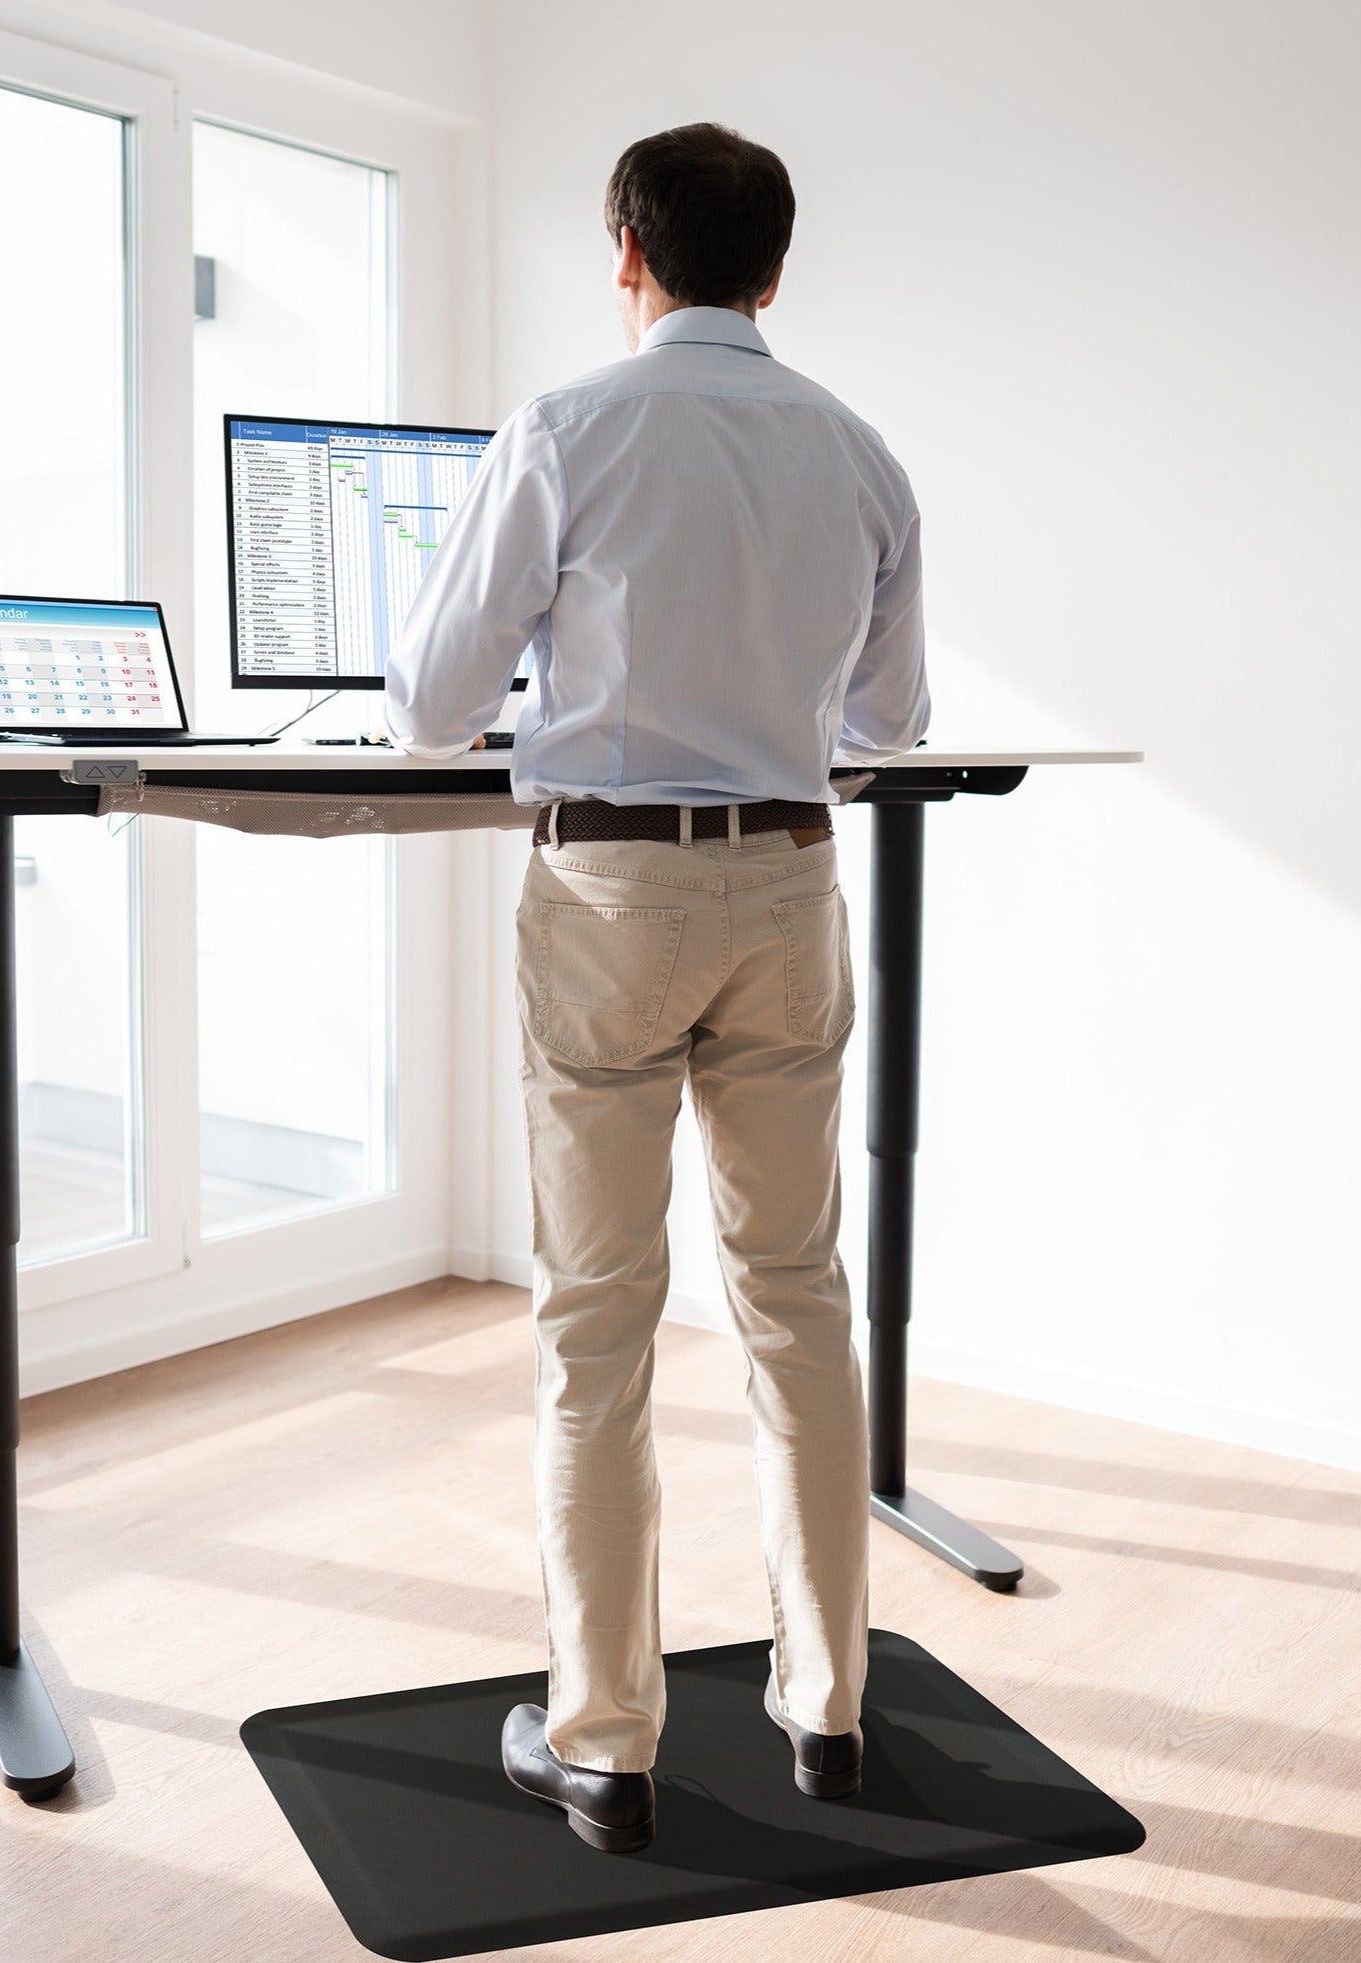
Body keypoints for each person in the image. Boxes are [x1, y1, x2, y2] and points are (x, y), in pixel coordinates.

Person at [384, 121, 929, 1855]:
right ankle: (829, 1710)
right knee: (796, 1297)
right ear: (776, 271)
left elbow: (428, 706)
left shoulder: (564, 428)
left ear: (627, 251)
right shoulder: (859, 454)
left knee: (597, 1322)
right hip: (789, 883)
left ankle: (604, 1742)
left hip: (612, 888)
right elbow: (891, 731)